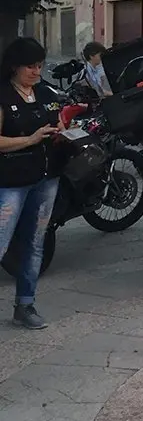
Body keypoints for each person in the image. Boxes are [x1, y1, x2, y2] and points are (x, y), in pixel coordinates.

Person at [0, 38, 63, 330]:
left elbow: (58, 122)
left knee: (35, 244)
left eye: (39, 65)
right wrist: (30, 139)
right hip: (11, 182)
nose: (36, 71)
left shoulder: (46, 91)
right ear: (15, 66)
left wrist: (62, 131)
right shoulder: (3, 95)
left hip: (46, 178)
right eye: (30, 66)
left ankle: (25, 305)